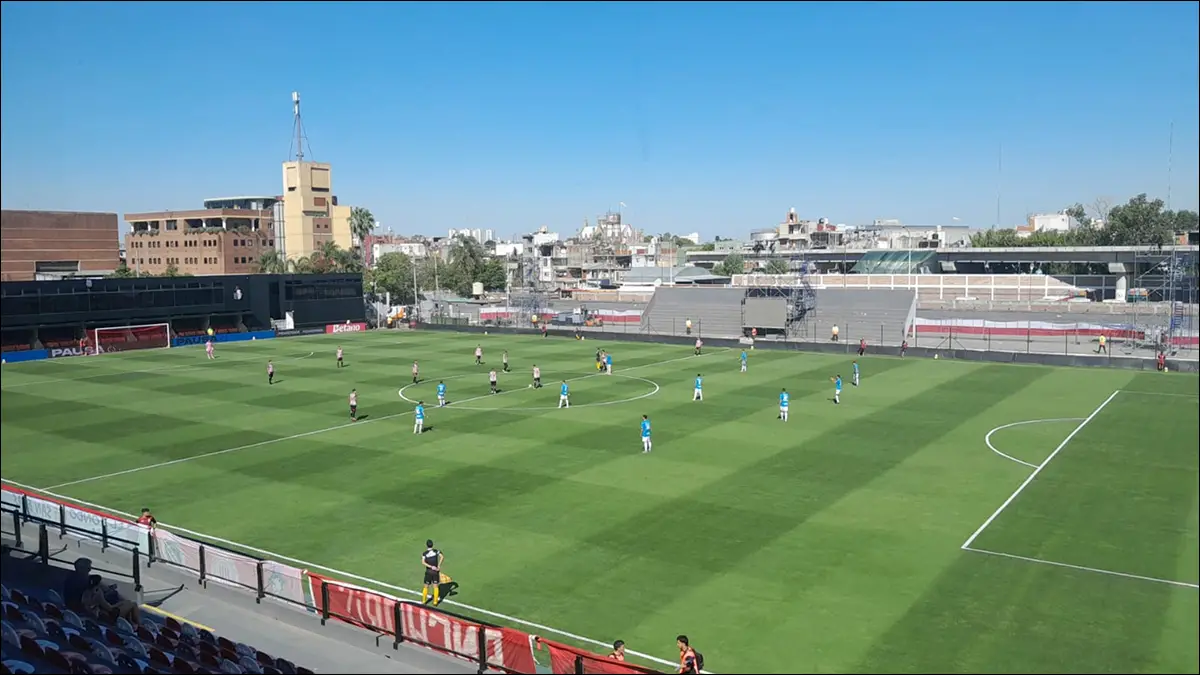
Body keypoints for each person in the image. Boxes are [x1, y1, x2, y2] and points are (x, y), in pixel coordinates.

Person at [421, 540, 443, 605]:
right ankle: (435, 602)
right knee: (435, 587)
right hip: (435, 572)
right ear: (432, 545)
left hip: (428, 572)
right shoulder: (436, 551)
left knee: (426, 586)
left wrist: (430, 567)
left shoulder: (424, 553)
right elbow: (442, 557)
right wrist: (438, 565)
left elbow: (423, 562)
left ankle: (424, 601)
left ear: (426, 545)